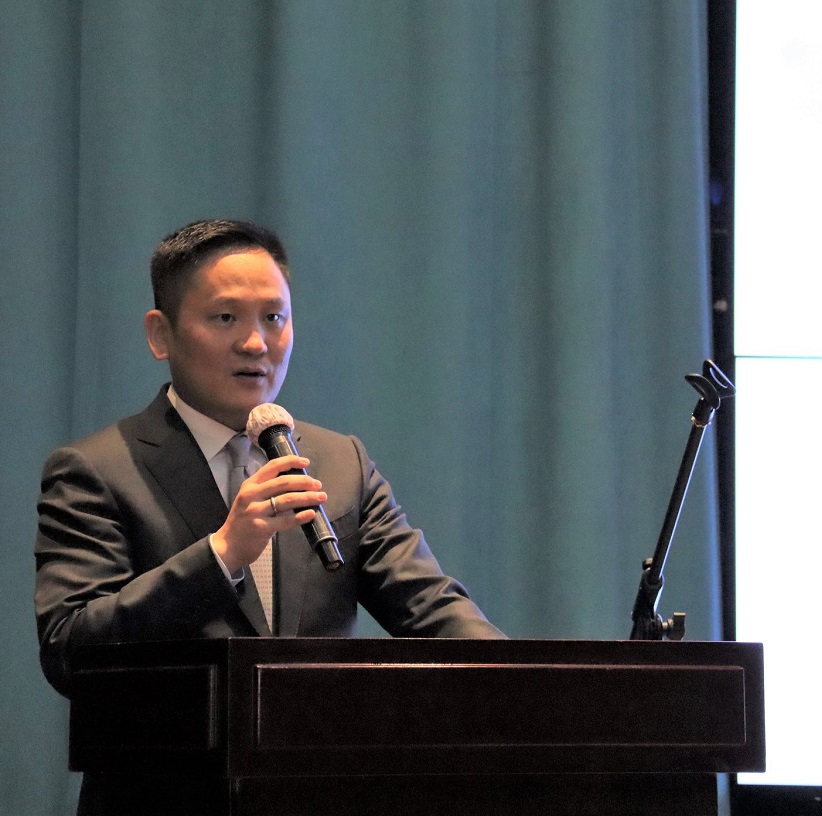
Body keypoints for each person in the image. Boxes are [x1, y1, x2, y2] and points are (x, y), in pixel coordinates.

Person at [34, 218, 503, 814]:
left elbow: (431, 609)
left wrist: (525, 688)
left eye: (274, 318)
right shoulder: (97, 469)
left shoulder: (340, 462)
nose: (256, 343)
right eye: (226, 318)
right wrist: (222, 554)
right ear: (161, 334)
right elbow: (71, 650)